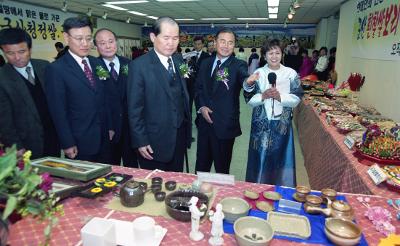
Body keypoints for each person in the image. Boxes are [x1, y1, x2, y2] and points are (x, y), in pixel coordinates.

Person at [127, 17, 191, 172]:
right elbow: (134, 109)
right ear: (153, 37)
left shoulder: (178, 60)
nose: (171, 43)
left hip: (178, 137)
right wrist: (140, 141)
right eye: (166, 38)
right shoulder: (139, 66)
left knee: (176, 182)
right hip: (153, 141)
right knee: (156, 187)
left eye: (175, 38)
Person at [46, 17, 113, 163]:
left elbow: (104, 98)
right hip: (79, 140)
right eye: (79, 38)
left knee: (108, 180)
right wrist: (67, 142)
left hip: (104, 137)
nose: (85, 44)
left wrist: (110, 126)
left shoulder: (96, 63)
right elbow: (58, 110)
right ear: (66, 37)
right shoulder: (56, 69)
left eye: (88, 38)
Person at [243, 39, 303, 186]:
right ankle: (256, 187)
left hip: (281, 124)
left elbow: (297, 97)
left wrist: (280, 97)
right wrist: (262, 96)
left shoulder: (290, 73)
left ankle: (282, 189)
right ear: (264, 55)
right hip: (261, 124)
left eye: (277, 52)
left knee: (281, 157)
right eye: (270, 53)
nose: (274, 56)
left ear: (282, 54)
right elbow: (249, 98)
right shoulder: (258, 73)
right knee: (260, 157)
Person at [195, 28, 249, 174]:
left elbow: (245, 80)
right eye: (222, 41)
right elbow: (198, 88)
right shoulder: (205, 63)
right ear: (215, 42)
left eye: (230, 42)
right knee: (201, 167)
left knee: (222, 170)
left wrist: (249, 83)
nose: (226, 45)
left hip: (225, 126)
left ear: (234, 46)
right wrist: (201, 107)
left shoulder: (238, 65)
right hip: (205, 125)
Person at [0, 28, 60, 159]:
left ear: (30, 49)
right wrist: (16, 146)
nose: (17, 57)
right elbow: (4, 122)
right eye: (9, 53)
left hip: (53, 138)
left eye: (22, 51)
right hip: (26, 145)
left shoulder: (44, 66)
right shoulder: (2, 78)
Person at [94, 28, 138, 167]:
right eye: (102, 43)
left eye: (111, 41)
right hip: (108, 130)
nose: (107, 46)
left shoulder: (130, 65)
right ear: (95, 46)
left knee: (132, 168)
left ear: (116, 42)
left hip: (130, 129)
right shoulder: (92, 67)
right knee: (109, 170)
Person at [188, 36, 210, 115]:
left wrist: (192, 62)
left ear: (203, 45)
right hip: (189, 85)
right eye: (195, 44)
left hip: (201, 87)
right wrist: (186, 64)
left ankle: (200, 124)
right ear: (193, 44)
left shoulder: (207, 56)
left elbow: (205, 71)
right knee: (188, 107)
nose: (197, 46)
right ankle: (188, 126)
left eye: (199, 44)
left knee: (200, 107)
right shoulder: (189, 55)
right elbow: (183, 71)